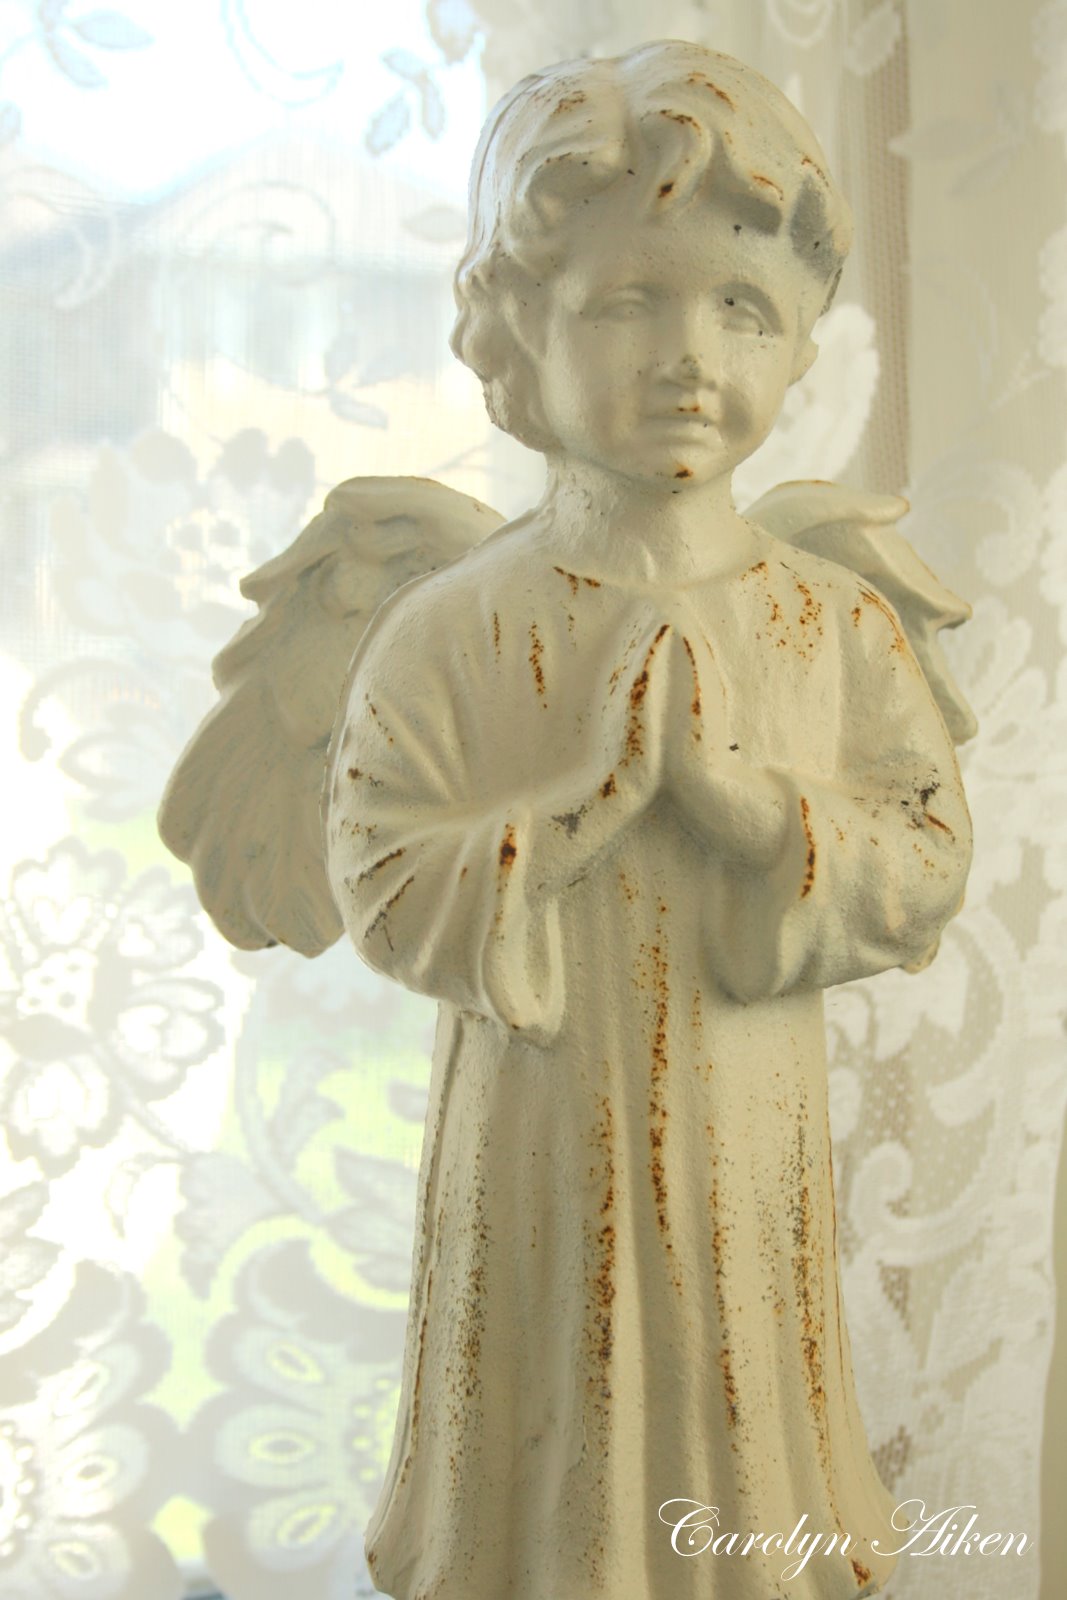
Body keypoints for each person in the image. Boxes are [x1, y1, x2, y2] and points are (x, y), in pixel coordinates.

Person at [323, 41, 972, 1600]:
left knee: (745, 1448)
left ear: (802, 340)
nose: (689, 357)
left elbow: (923, 855)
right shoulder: (455, 629)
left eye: (741, 308)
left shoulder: (831, 624)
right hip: (537, 1142)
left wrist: (752, 811)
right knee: (539, 1483)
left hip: (749, 1135)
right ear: (516, 329)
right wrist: (579, 811)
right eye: (627, 302)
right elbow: (381, 874)